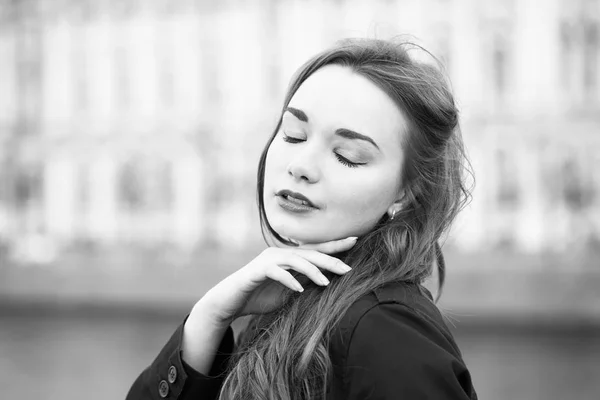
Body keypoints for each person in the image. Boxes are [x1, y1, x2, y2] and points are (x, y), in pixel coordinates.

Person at [126, 38, 478, 400]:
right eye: (293, 134)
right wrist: (208, 318)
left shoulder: (385, 331)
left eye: (348, 156)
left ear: (407, 192)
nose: (301, 166)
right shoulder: (286, 301)